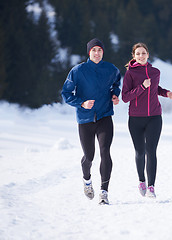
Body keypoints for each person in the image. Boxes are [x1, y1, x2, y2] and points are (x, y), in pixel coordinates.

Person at [61, 38, 121, 205]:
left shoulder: (111, 69)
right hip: (85, 119)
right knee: (89, 156)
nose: (97, 53)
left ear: (103, 52)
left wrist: (115, 95)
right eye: (94, 50)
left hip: (104, 116)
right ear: (89, 52)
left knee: (105, 152)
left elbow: (116, 83)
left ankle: (104, 192)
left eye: (99, 50)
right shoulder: (78, 71)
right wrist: (81, 103)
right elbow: (66, 93)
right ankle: (87, 180)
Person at [122, 43, 172, 198]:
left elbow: (156, 88)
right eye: (138, 53)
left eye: (143, 53)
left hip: (154, 117)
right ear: (134, 56)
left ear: (148, 54)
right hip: (135, 119)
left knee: (151, 151)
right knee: (140, 151)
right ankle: (141, 181)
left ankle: (151, 186)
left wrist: (166, 93)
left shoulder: (155, 72)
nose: (141, 56)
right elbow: (125, 97)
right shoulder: (130, 74)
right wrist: (142, 87)